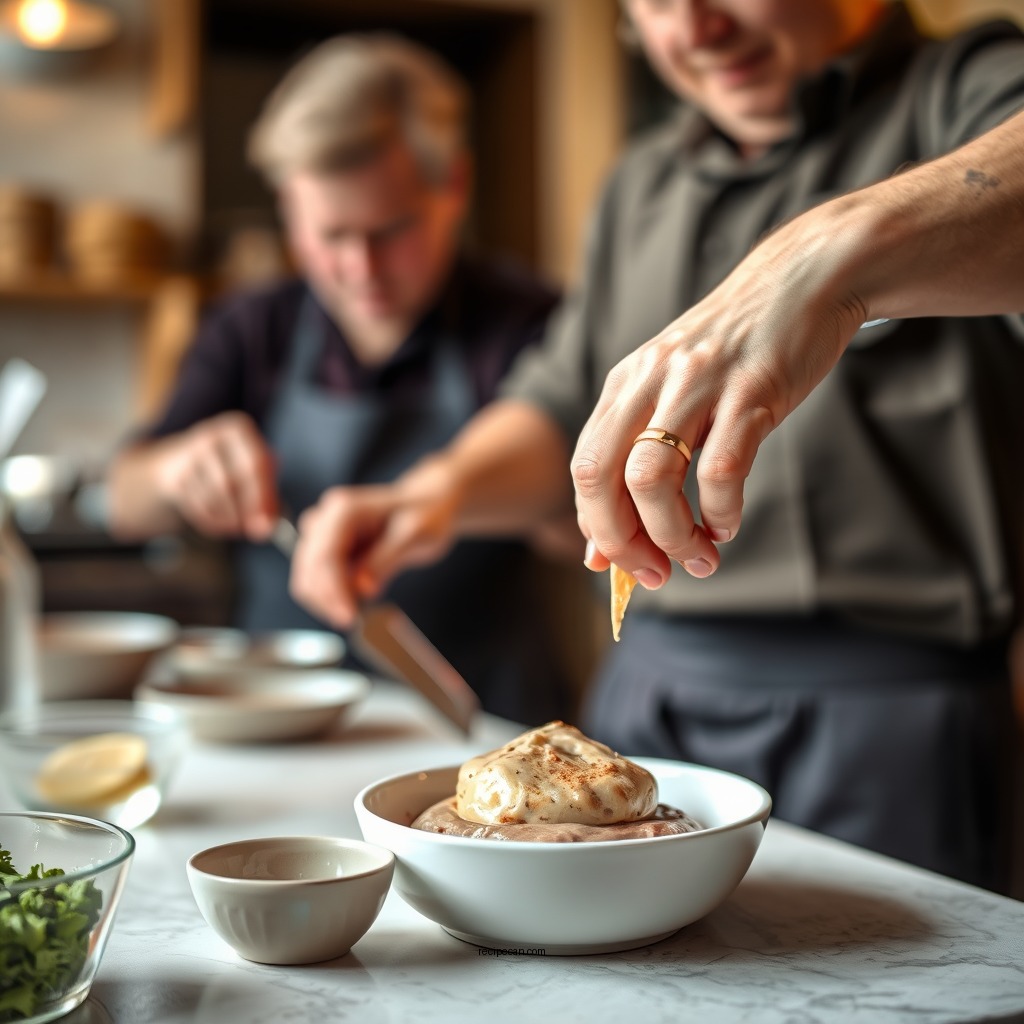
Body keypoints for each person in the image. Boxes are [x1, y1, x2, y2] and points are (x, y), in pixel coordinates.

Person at [287, 0, 1024, 892]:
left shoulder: (966, 87)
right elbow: (560, 401)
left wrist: (816, 261)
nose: (696, 27)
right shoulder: (640, 180)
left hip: (888, 725)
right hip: (645, 704)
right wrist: (431, 494)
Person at [105, 34, 574, 724]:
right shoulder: (250, 327)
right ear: (288, 209)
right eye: (330, 235)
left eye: (391, 230)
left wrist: (451, 499)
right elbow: (123, 501)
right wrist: (177, 469)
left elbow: (575, 527)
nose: (361, 268)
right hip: (270, 708)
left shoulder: (528, 324)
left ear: (454, 187)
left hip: (482, 718)